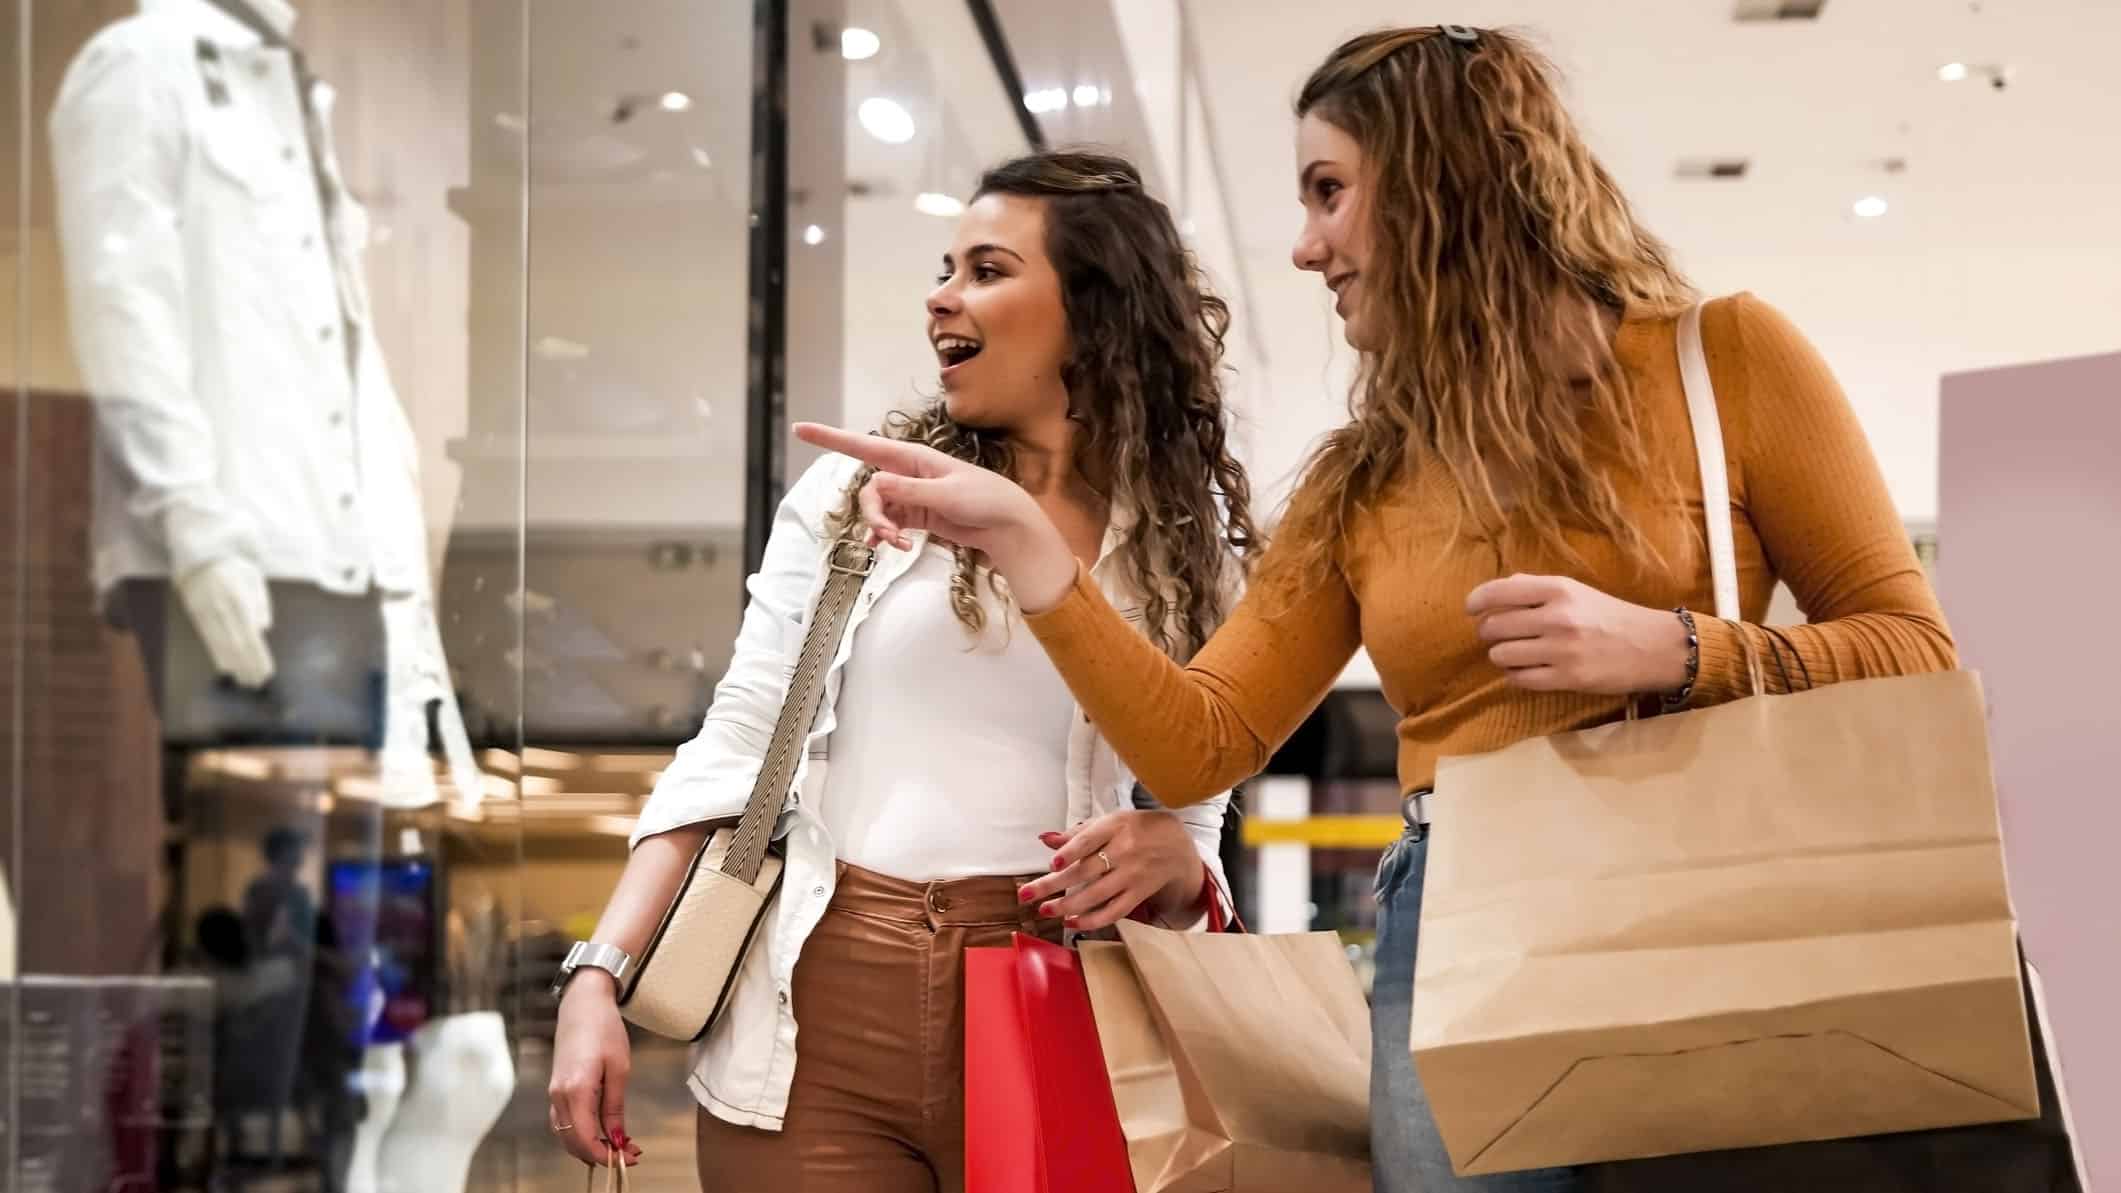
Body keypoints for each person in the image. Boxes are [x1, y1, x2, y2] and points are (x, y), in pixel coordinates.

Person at [799, 25, 2074, 1193]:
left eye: (1329, 190)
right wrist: (1032, 548)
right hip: (1464, 927)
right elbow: (1196, 744)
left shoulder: (1719, 359)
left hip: (1717, 901)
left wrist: (1679, 647)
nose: (1305, 245)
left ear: (1442, 184)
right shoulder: (1364, 478)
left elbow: (1915, 649)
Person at [548, 149, 1256, 1191]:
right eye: (946, 265)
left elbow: (1195, 804)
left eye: (986, 269)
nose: (942, 296)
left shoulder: (1189, 548)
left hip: (1057, 998)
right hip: (816, 1012)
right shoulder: (857, 495)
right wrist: (596, 977)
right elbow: (738, 744)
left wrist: (1180, 858)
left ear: (1095, 311)